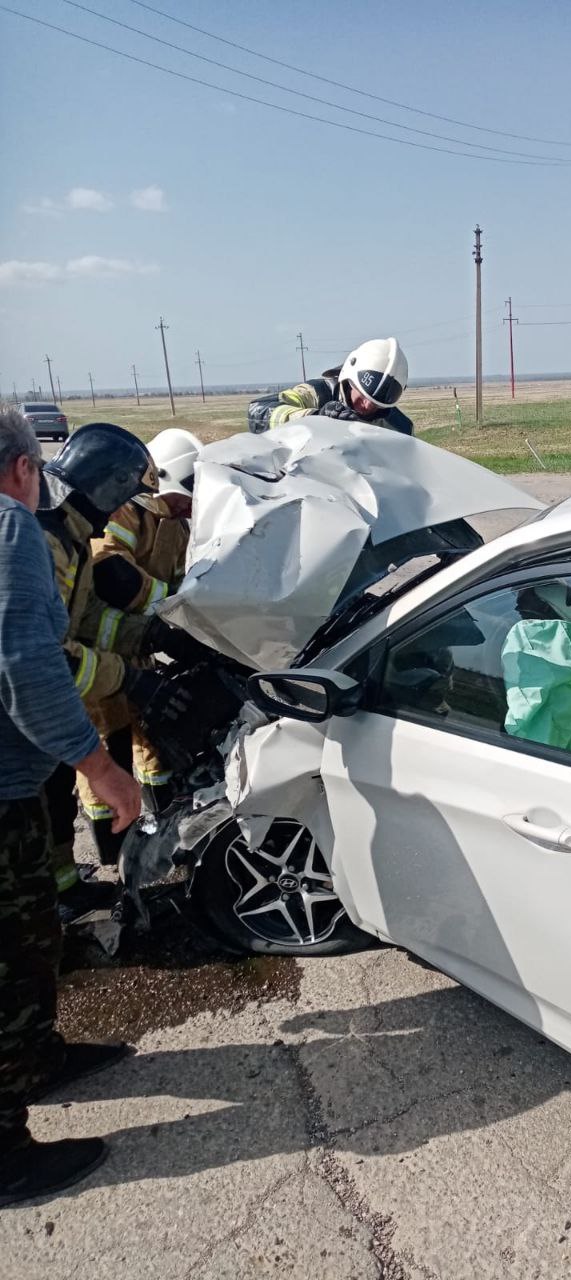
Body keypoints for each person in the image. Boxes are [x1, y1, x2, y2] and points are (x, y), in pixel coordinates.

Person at [0, 403, 141, 1206]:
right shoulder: (13, 531)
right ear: (24, 468)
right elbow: (30, 664)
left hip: (12, 783)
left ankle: (36, 1059)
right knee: (9, 961)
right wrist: (102, 767)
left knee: (31, 941)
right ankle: (5, 1155)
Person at [36, 424, 197, 915]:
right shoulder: (46, 543)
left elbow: (88, 617)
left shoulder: (72, 537)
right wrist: (129, 676)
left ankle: (63, 893)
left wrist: (151, 637)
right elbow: (51, 656)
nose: (118, 513)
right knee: (48, 796)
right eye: (120, 499)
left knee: (57, 792)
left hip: (67, 686)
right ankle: (51, 905)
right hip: (38, 704)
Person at [81, 429, 202, 861]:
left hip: (138, 648)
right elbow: (110, 573)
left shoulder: (176, 524)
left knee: (152, 741)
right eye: (184, 496)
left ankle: (160, 830)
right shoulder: (126, 513)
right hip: (98, 653)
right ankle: (111, 850)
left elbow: (187, 580)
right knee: (108, 745)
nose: (189, 506)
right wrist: (165, 612)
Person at [248, 337, 413, 436]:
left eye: (378, 404)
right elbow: (257, 411)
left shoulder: (401, 428)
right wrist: (315, 418)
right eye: (362, 396)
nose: (368, 406)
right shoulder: (316, 393)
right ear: (349, 378)